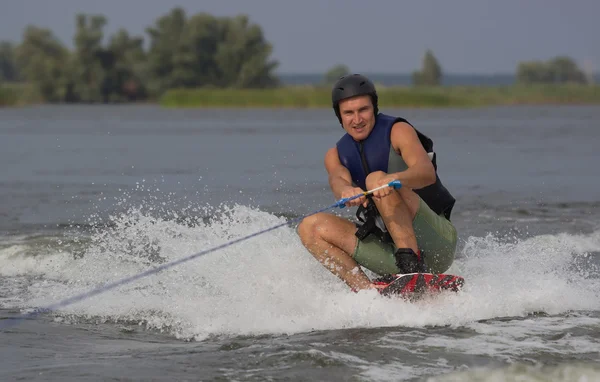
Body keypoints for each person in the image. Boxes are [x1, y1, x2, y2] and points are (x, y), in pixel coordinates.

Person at [297, 74, 458, 293]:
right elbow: (338, 179)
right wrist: (346, 190)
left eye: (363, 110)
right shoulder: (334, 155)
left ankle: (412, 266)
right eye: (349, 113)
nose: (357, 119)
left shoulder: (398, 131)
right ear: (340, 117)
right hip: (391, 252)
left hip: (436, 241)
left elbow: (426, 173)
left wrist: (393, 179)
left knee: (375, 179)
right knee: (309, 226)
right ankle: (369, 295)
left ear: (374, 108)